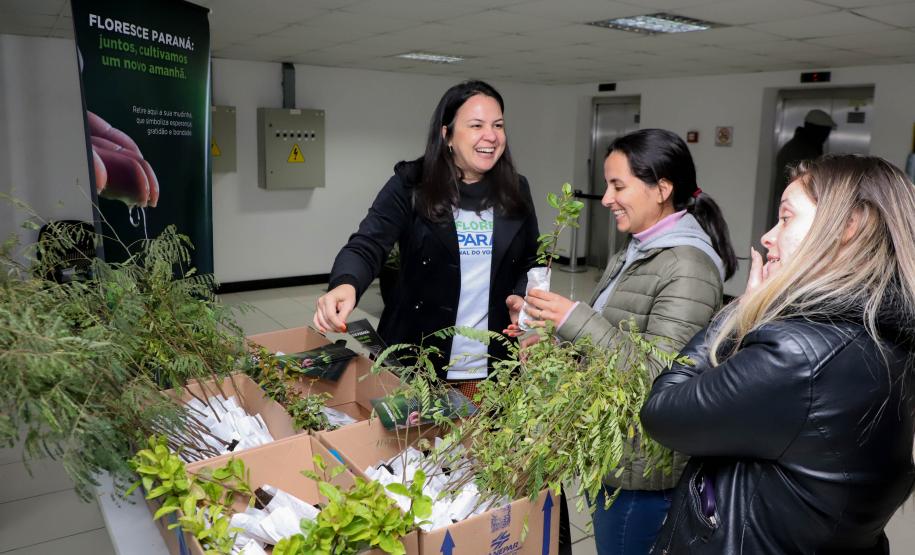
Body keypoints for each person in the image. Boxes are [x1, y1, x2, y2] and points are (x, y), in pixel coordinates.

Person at [641, 154, 915, 554]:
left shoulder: (801, 356)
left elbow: (661, 412)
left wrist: (740, 311)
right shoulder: (884, 333)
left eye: (786, 218)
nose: (768, 236)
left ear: (848, 226)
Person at [519, 128, 737, 554]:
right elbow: (614, 334)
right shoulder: (637, 249)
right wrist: (552, 333)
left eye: (618, 185)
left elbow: (658, 376)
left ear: (662, 189)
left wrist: (573, 318)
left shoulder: (688, 267)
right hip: (618, 454)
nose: (604, 198)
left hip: (645, 470)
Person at [314, 80, 539, 392]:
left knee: (482, 439)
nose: (491, 136)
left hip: (490, 365)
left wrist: (523, 299)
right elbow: (368, 243)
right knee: (411, 441)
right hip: (416, 357)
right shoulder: (412, 185)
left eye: (498, 125)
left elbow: (531, 259)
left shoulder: (516, 190)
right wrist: (346, 283)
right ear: (446, 134)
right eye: (476, 125)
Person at [772, 109, 836, 223]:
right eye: (825, 132)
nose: (826, 137)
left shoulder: (803, 147)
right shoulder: (800, 151)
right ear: (816, 130)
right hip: (796, 207)